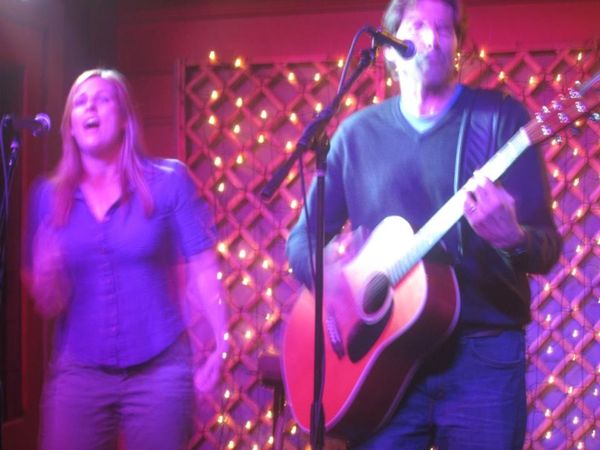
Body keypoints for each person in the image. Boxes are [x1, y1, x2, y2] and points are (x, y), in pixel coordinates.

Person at [285, 0, 562, 448]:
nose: (432, 39)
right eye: (417, 26)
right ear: (389, 49)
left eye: (444, 29)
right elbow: (302, 239)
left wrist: (513, 238)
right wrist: (329, 277)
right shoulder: (356, 135)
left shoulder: (500, 121)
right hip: (380, 361)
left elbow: (546, 245)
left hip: (482, 358)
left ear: (457, 46)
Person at [23, 68, 228, 450]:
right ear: (70, 127)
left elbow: (203, 267)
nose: (90, 107)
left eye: (102, 99)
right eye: (81, 102)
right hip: (80, 370)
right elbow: (47, 304)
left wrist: (219, 341)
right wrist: (48, 278)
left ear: (124, 118)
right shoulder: (46, 197)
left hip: (160, 367)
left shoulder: (169, 181)